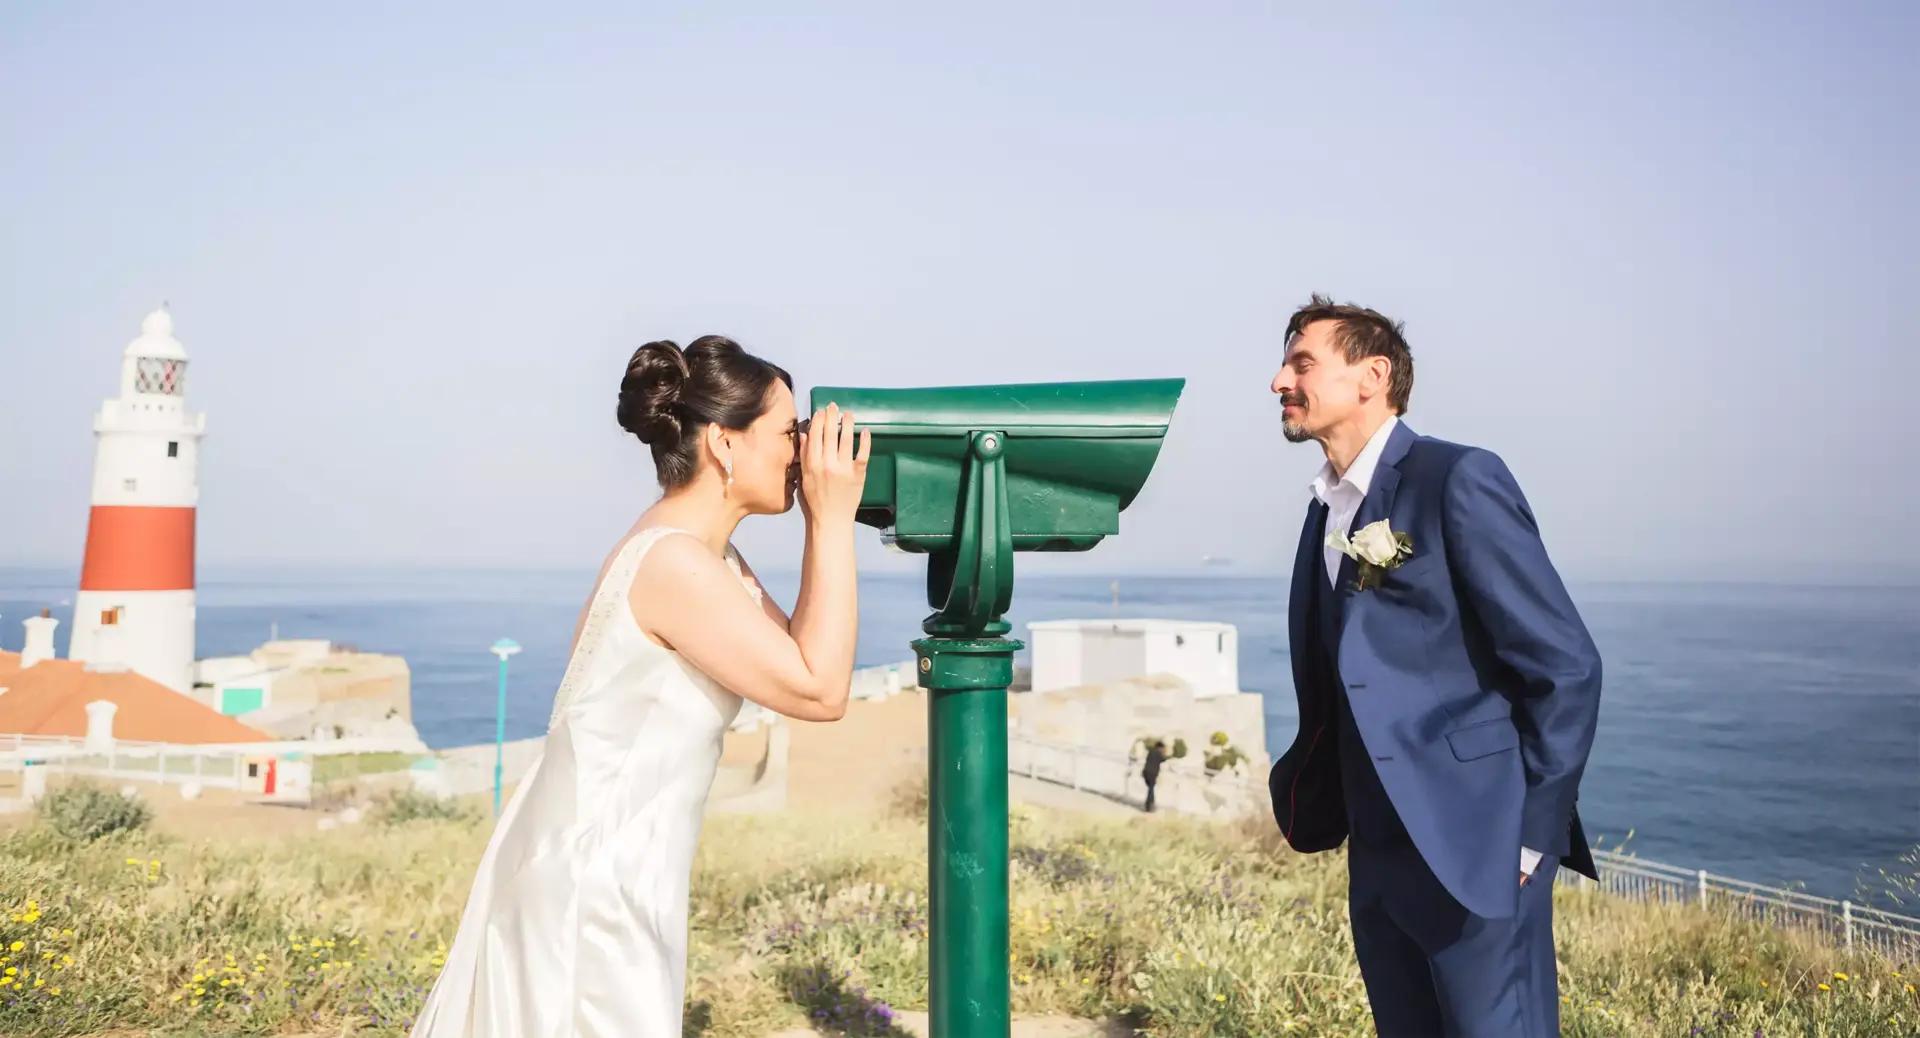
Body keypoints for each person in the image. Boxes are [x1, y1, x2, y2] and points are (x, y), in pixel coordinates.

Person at [411, 335, 871, 1037]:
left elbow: (806, 662)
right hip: (593, 886)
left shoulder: (706, 558)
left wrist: (825, 518)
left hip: (614, 870)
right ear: (723, 442)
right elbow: (823, 691)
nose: (801, 452)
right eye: (788, 433)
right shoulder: (676, 566)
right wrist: (833, 520)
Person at [1264, 296, 1602, 1037]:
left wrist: (1531, 835)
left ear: (1371, 376)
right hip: (1376, 849)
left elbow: (1565, 665)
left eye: (1301, 362)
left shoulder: (1457, 478)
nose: (1278, 381)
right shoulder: (1324, 513)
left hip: (1478, 844)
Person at [1141, 738, 1168, 812]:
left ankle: (1150, 804)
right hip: (1152, 773)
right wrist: (1165, 752)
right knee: (1151, 789)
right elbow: (1164, 759)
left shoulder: (1150, 751)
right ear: (1160, 747)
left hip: (1146, 772)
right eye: (1162, 748)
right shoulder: (1159, 753)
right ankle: (1149, 806)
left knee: (1150, 788)